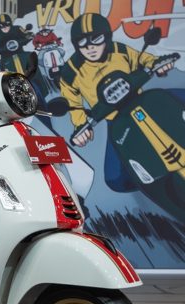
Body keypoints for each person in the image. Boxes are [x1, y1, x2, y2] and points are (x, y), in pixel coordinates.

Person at [60, 12, 174, 192]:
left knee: (178, 98)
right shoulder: (71, 71)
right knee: (115, 178)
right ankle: (156, 186)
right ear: (76, 44)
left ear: (106, 37)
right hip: (116, 120)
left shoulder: (119, 50)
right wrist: (81, 126)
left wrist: (159, 63)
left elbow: (142, 59)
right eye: (82, 42)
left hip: (143, 103)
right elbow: (71, 101)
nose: (90, 47)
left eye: (96, 39)